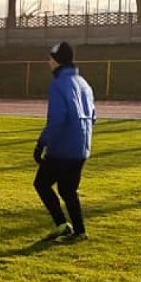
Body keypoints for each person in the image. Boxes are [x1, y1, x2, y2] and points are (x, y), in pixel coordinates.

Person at [33, 40, 95, 243]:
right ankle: (79, 231)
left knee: (42, 183)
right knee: (68, 190)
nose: (48, 62)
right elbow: (93, 115)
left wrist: (42, 143)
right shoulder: (84, 83)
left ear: (57, 61)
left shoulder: (59, 84)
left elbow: (58, 119)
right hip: (81, 147)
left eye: (50, 59)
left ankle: (62, 225)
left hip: (64, 147)